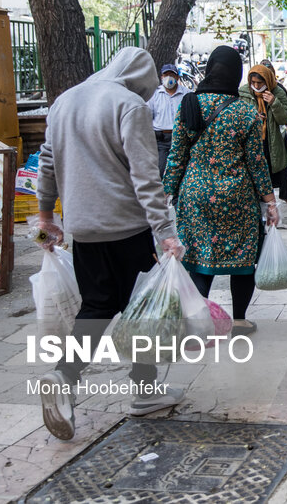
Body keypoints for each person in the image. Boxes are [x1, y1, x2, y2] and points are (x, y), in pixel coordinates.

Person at [34, 46, 186, 441]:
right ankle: (144, 390)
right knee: (144, 310)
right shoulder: (130, 106)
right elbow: (145, 176)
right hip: (127, 228)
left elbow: (46, 162)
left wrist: (46, 216)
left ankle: (63, 375)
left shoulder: (65, 101)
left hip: (83, 230)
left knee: (97, 306)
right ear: (142, 82)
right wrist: (165, 231)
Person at [164, 46, 280, 338]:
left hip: (195, 196)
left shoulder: (189, 104)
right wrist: (270, 201)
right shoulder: (245, 111)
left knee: (200, 259)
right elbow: (256, 162)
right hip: (237, 198)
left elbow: (176, 156)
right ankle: (239, 322)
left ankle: (198, 323)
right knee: (243, 262)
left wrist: (166, 194)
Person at [239, 64, 287, 205]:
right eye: (254, 83)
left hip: (271, 143)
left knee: (269, 177)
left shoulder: (277, 92)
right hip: (251, 142)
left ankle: (270, 206)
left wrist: (274, 103)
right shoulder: (243, 93)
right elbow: (238, 117)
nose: (256, 86)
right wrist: (253, 117)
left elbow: (284, 118)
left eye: (260, 83)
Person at [147, 63, 190, 177]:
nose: (169, 77)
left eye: (172, 74)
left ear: (177, 77)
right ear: (161, 77)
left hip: (181, 138)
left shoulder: (187, 95)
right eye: (166, 75)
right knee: (160, 170)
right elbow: (147, 118)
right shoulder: (154, 95)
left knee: (180, 171)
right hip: (161, 139)